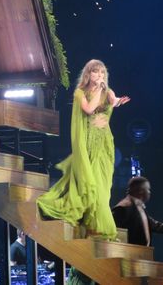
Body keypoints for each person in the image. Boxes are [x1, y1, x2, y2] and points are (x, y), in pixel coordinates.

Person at [37, 59, 130, 240]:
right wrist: (97, 91)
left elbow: (114, 101)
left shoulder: (107, 91)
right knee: (91, 183)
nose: (100, 76)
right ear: (89, 74)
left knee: (103, 184)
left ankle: (96, 225)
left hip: (105, 143)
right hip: (88, 143)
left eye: (102, 73)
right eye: (96, 72)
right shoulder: (80, 93)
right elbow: (88, 109)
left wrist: (118, 101)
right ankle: (95, 226)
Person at [112, 176, 163, 246]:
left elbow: (155, 225)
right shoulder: (123, 208)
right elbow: (114, 234)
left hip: (142, 254)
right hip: (129, 255)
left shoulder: (138, 206)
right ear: (141, 191)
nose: (149, 192)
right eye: (148, 189)